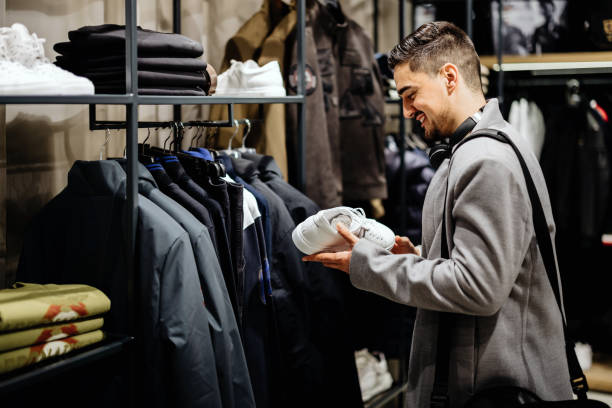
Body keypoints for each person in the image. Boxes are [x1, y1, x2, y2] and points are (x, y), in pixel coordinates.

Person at [303, 21, 573, 407]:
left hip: (497, 390)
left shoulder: (485, 162)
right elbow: (485, 270)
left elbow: (477, 287)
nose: (407, 110)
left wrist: (370, 265)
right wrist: (417, 260)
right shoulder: (486, 148)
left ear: (449, 76)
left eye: (411, 94)